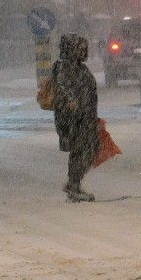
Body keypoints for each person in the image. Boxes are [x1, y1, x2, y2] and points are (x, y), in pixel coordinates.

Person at [53, 33, 100, 202]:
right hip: (72, 118)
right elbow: (62, 84)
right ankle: (73, 184)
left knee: (87, 149)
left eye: (84, 49)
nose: (84, 52)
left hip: (85, 117)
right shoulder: (63, 67)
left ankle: (74, 184)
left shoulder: (80, 68)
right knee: (81, 149)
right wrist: (71, 99)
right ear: (71, 50)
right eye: (80, 49)